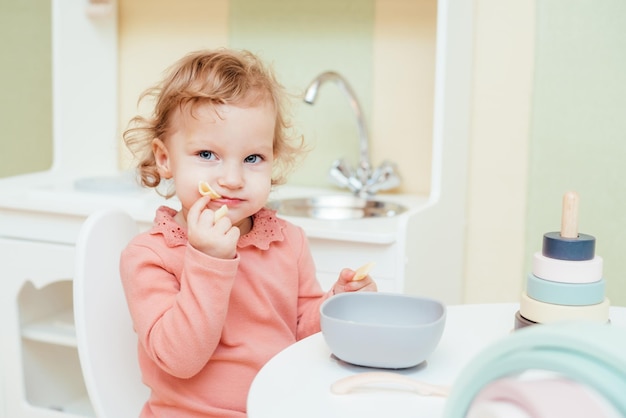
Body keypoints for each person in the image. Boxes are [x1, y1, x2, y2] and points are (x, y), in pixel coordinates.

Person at [120, 48, 377, 418]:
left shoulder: (286, 241)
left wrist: (338, 303)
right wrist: (209, 261)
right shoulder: (151, 255)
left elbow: (303, 337)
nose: (233, 179)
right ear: (165, 159)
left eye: (252, 159)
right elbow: (179, 360)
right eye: (207, 154)